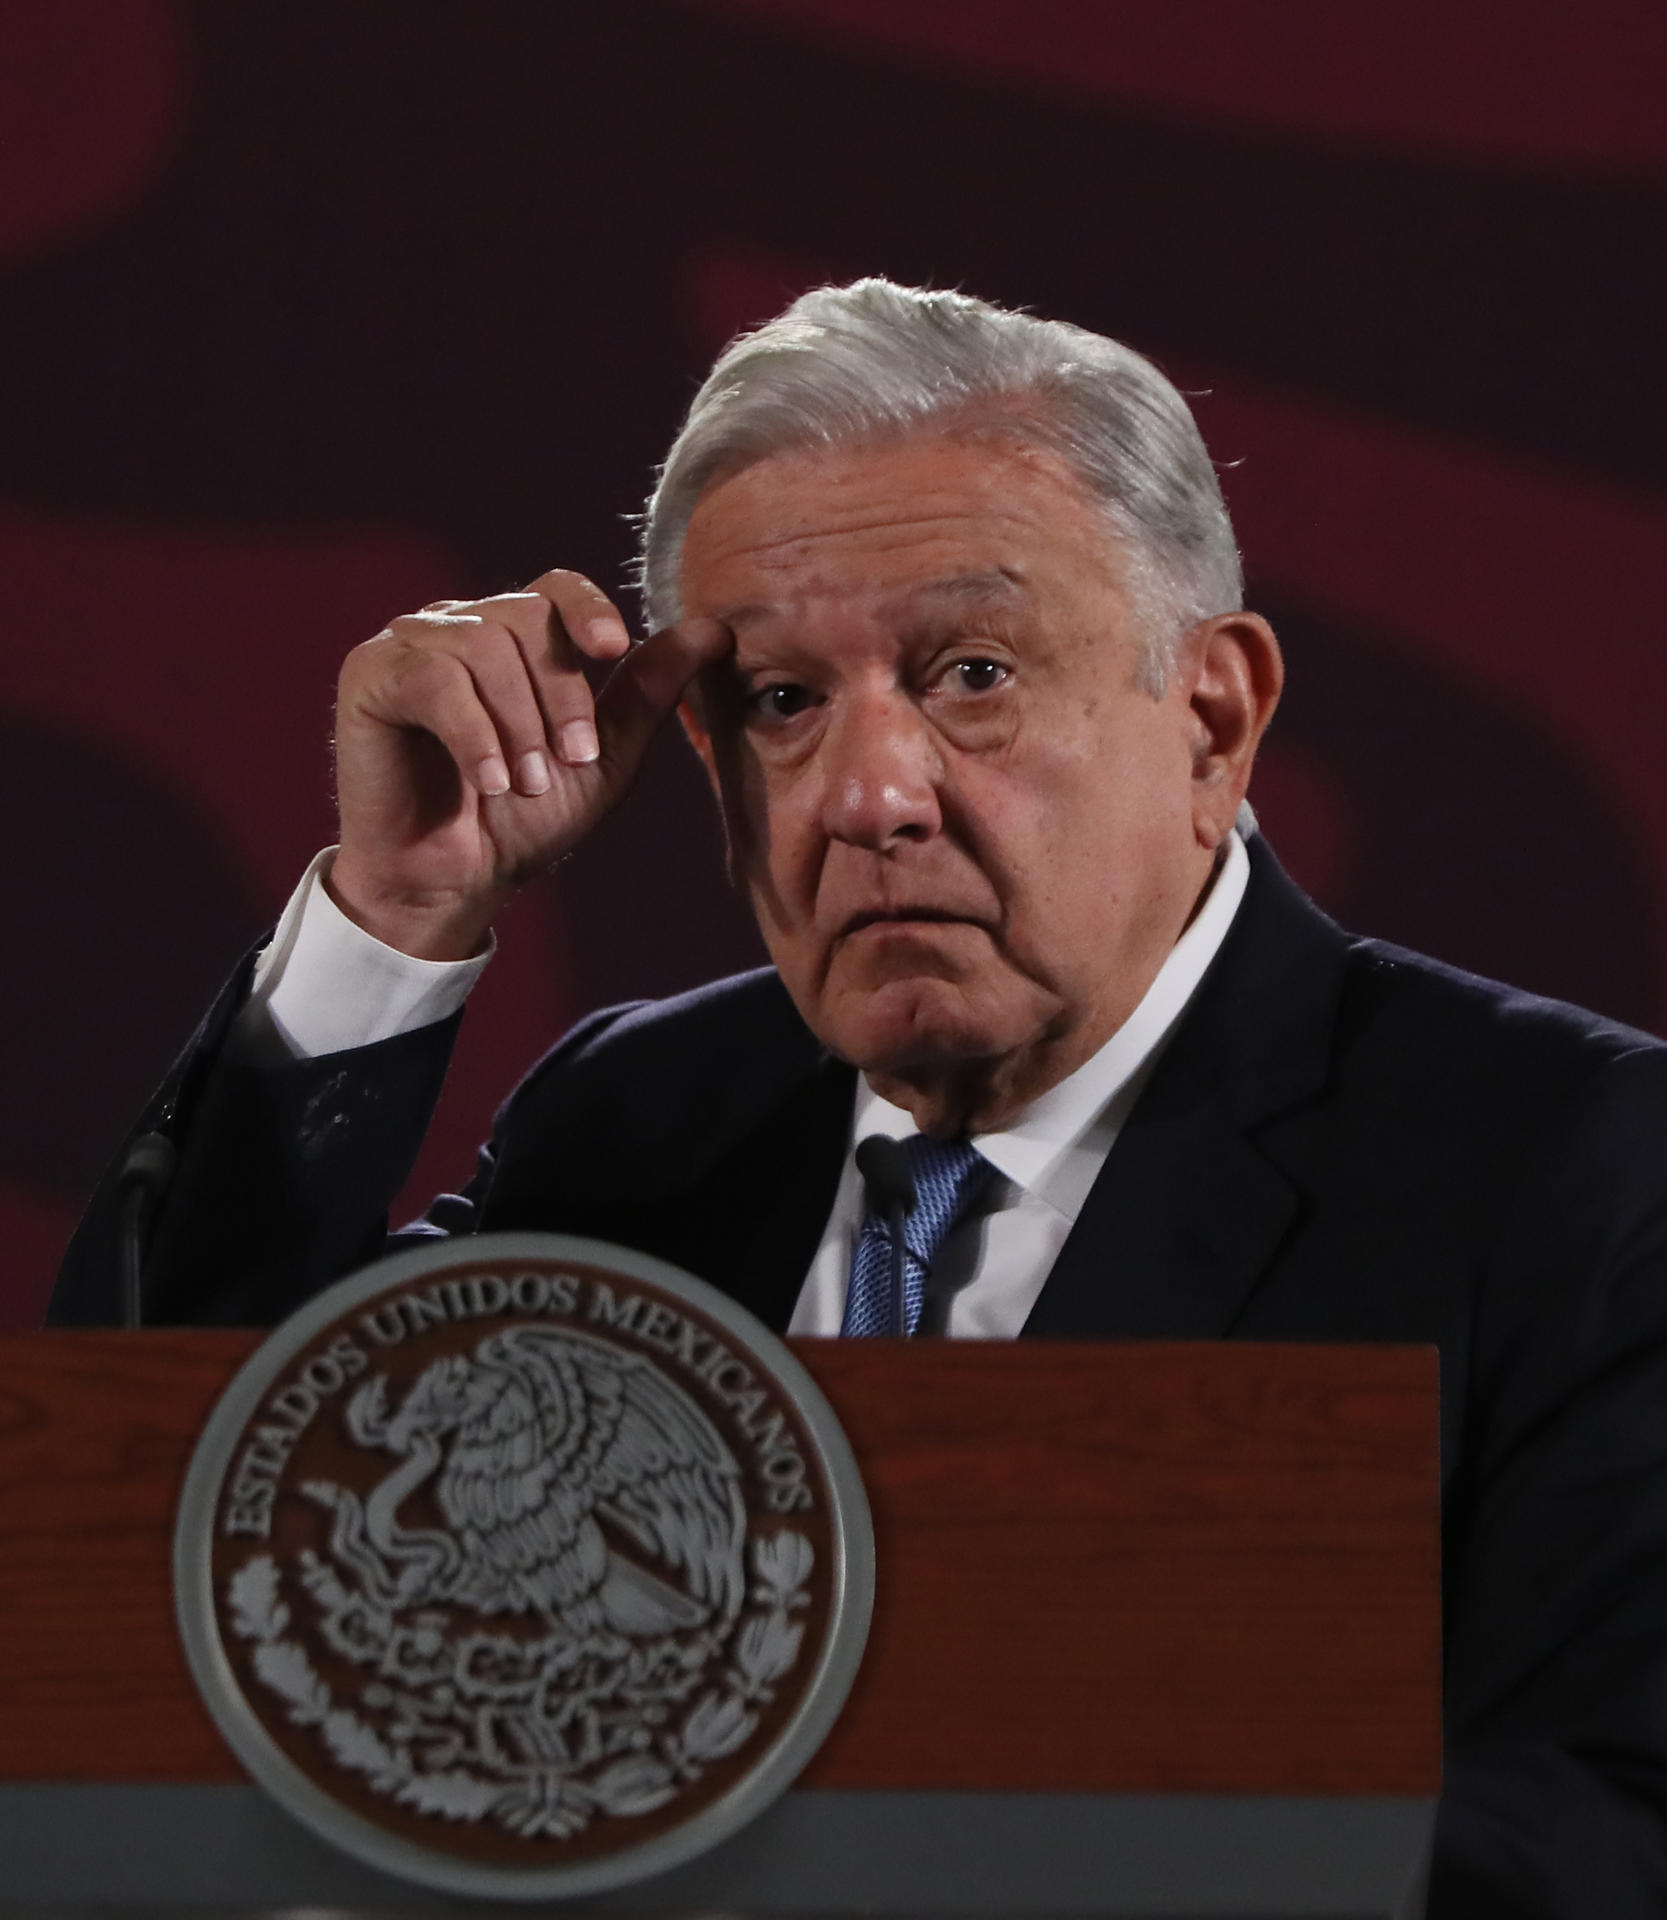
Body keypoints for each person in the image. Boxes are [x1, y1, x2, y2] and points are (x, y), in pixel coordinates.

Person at [52, 280, 1667, 1914]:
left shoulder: (1575, 1172)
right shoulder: (641, 1121)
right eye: (780, 703)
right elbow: (151, 1558)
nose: (869, 795)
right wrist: (394, 921)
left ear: (1216, 717)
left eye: (972, 671)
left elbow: (1608, 1837)